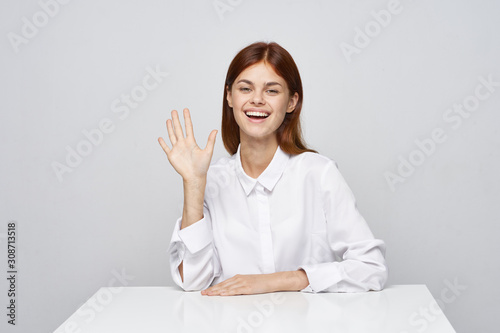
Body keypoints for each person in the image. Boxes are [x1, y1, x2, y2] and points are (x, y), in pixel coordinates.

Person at [158, 41, 388, 296]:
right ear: (229, 97)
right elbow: (193, 281)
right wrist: (193, 185)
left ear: (291, 101)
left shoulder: (318, 174)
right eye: (245, 88)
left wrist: (279, 280)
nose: (257, 99)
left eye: (272, 91)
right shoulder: (212, 180)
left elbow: (371, 267)